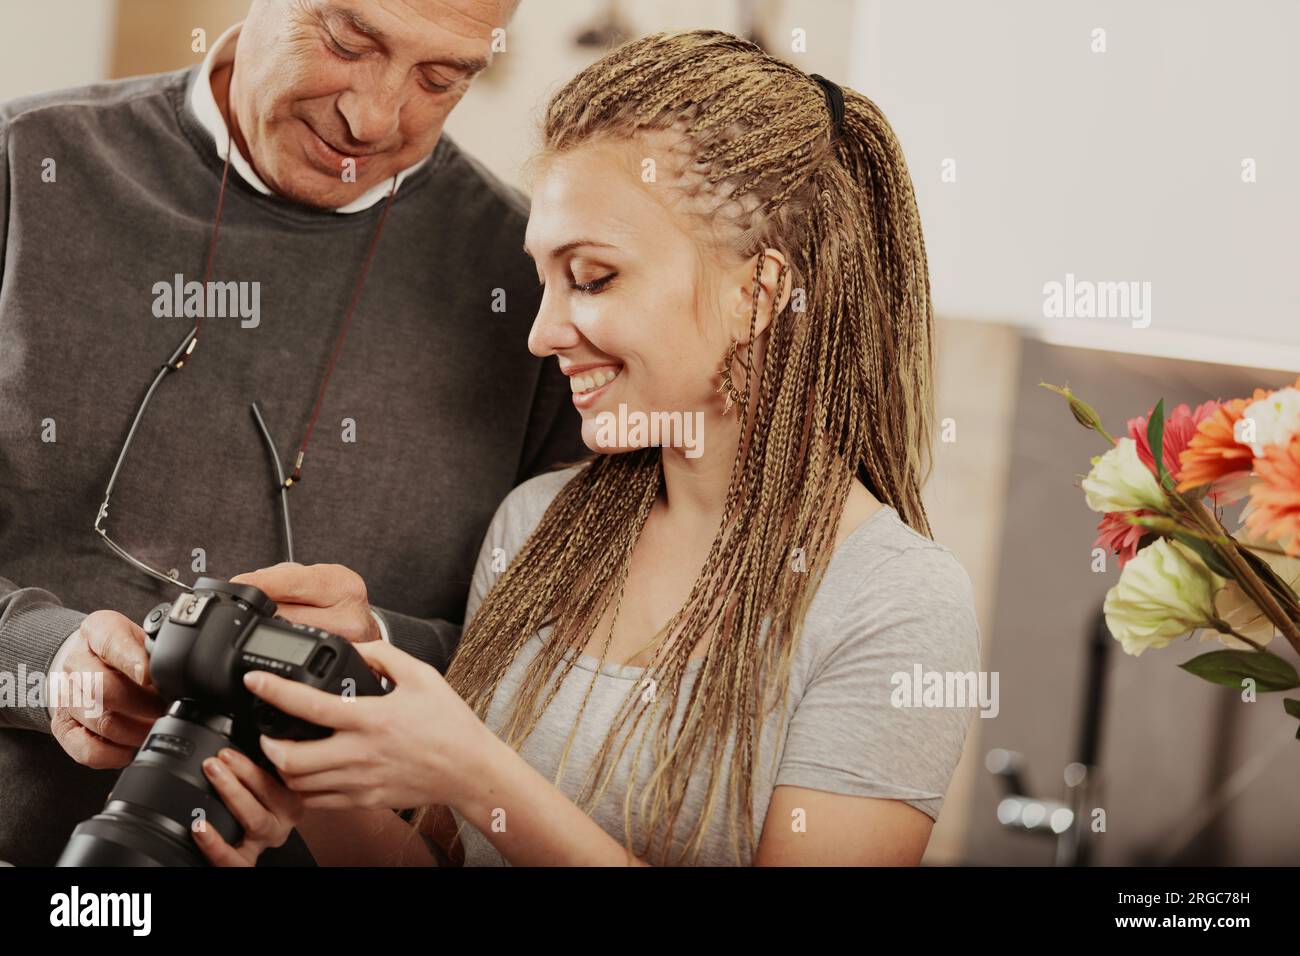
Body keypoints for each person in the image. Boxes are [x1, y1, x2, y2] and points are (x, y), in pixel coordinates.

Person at [197, 28, 983, 867]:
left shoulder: (895, 602)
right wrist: (321, 774)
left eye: (594, 278)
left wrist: (474, 770)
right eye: (544, 278)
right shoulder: (535, 523)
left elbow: (483, 793)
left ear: (759, 294)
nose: (542, 335)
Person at [0, 0, 586, 866]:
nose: (373, 117)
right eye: (349, 39)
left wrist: (369, 657)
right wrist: (39, 661)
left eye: (440, 78)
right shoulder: (25, 165)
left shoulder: (540, 291)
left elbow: (563, 662)